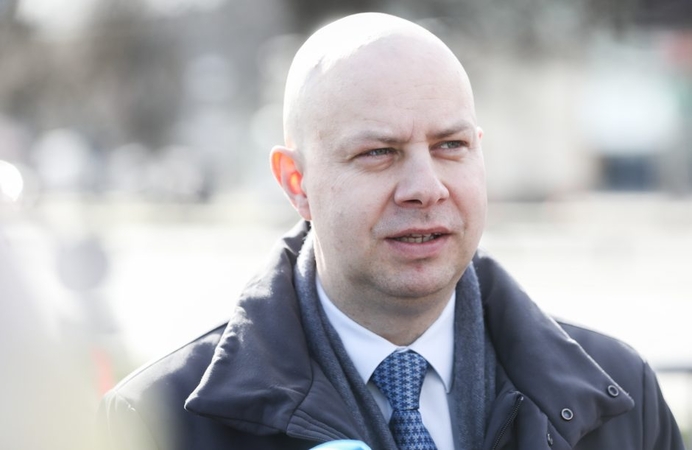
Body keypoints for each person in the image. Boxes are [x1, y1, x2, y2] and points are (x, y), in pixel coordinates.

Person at [97, 12, 685, 450]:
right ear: (297, 182)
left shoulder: (619, 397)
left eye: (450, 146)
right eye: (379, 152)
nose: (426, 188)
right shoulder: (157, 424)